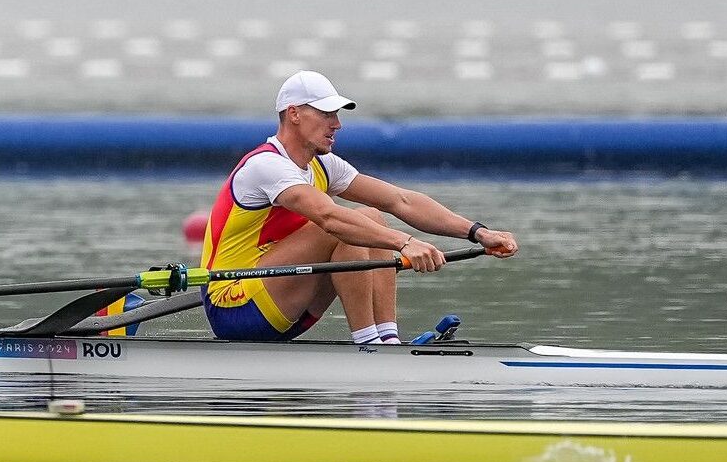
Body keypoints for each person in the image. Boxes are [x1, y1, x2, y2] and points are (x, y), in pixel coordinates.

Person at [200, 70, 518, 344]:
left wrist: (478, 232)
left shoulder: (323, 165)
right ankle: (369, 343)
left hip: (285, 303)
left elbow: (401, 201)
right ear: (294, 114)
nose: (337, 124)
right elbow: (329, 218)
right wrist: (406, 243)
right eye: (326, 114)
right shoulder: (265, 166)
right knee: (348, 224)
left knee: (372, 215)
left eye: (337, 115)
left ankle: (386, 338)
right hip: (232, 306)